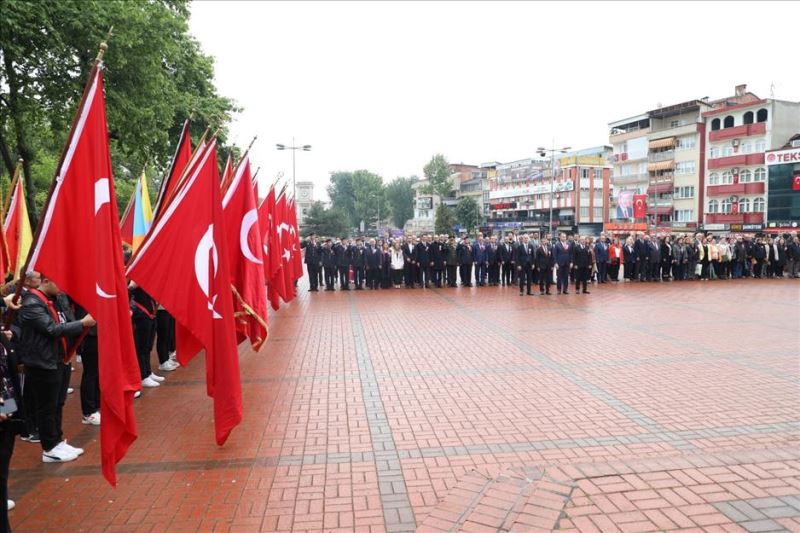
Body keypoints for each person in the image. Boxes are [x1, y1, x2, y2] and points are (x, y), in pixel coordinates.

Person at [19, 276, 94, 463]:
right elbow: (51, 329)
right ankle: (49, 447)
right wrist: (82, 323)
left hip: (60, 358)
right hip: (43, 362)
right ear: (45, 281)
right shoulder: (31, 303)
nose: (62, 287)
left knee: (59, 402)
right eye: (57, 282)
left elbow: (67, 319)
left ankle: (58, 440)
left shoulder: (58, 299)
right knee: (47, 406)